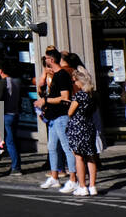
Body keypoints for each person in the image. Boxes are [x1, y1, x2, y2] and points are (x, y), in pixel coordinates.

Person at [35, 50, 74, 190]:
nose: (45, 60)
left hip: (61, 116)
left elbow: (65, 97)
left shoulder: (62, 75)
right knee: (52, 148)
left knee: (66, 148)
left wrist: (45, 100)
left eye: (46, 58)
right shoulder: (55, 75)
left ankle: (73, 179)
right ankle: (54, 177)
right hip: (53, 117)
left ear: (51, 60)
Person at [66, 66, 100, 196]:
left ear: (80, 81)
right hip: (89, 127)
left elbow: (70, 112)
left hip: (77, 128)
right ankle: (92, 186)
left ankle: (82, 186)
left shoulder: (79, 96)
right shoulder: (92, 95)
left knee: (79, 157)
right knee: (91, 156)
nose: (74, 83)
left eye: (75, 81)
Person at [0, 63, 22, 175]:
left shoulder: (2, 82)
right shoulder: (17, 81)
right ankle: (17, 165)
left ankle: (16, 167)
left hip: (6, 114)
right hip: (15, 113)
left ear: (0, 70)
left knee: (10, 142)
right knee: (14, 140)